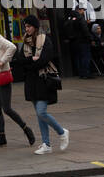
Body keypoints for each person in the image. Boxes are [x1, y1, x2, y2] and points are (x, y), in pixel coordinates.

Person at [14, 15, 69, 155]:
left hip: (43, 80)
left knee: (41, 111)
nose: (27, 29)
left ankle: (62, 132)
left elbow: (44, 60)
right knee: (39, 115)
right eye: (25, 26)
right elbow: (19, 60)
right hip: (31, 82)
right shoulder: (25, 42)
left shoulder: (45, 40)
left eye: (29, 26)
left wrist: (29, 63)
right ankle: (46, 144)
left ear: (35, 27)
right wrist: (31, 60)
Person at [0, 17, 34, 148]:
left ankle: (27, 129)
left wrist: (3, 61)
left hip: (2, 76)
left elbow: (12, 47)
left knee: (7, 108)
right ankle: (1, 136)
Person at [60, 6, 92, 79]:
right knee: (85, 57)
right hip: (83, 41)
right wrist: (90, 38)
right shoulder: (80, 18)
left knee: (78, 58)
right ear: (79, 10)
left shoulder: (69, 18)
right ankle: (86, 73)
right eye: (83, 10)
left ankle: (80, 73)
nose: (83, 12)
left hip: (73, 41)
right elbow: (84, 30)